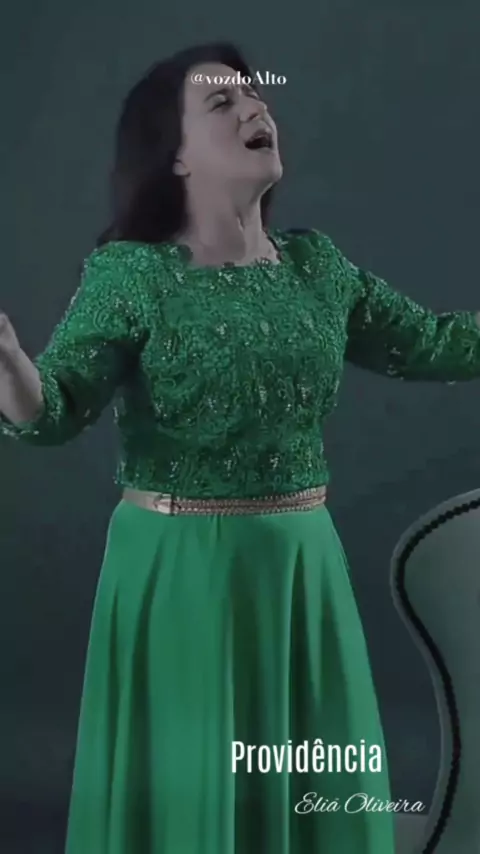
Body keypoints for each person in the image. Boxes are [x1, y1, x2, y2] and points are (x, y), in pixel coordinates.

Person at [1, 41, 480, 854]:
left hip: (300, 565)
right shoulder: (131, 274)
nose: (256, 107)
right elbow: (54, 409)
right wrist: (10, 364)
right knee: (194, 798)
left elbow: (435, 342)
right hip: (179, 569)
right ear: (175, 156)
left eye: (256, 95)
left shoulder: (317, 266)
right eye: (221, 102)